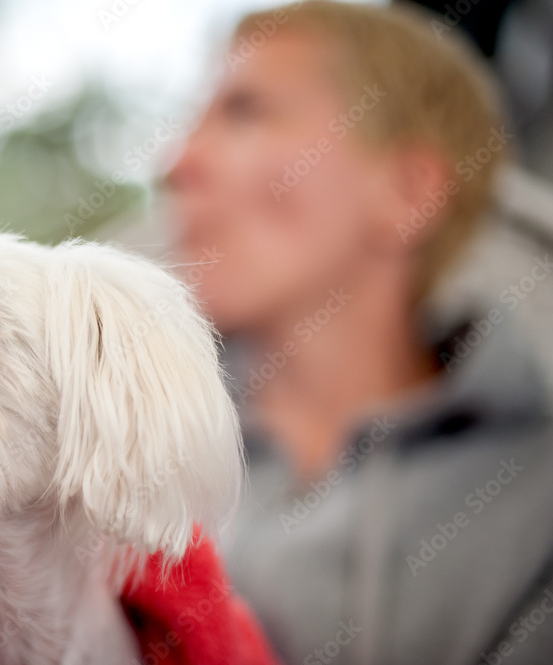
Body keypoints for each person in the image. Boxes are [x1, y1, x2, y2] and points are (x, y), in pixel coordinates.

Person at [167, 2, 553, 664]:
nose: (177, 162)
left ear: (407, 190)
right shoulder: (111, 457)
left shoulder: (536, 509)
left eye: (245, 111)